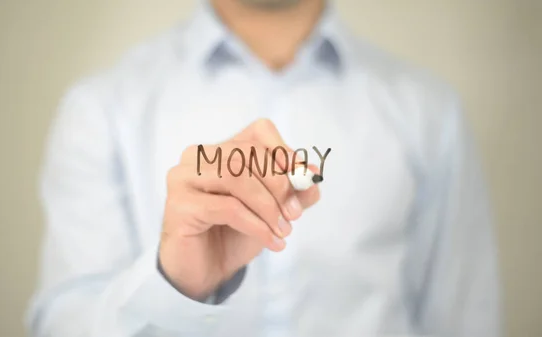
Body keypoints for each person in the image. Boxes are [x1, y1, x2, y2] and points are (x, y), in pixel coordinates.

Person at [26, 0, 502, 336]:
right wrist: (173, 284)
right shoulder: (102, 108)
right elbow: (64, 324)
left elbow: (464, 321)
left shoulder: (430, 113)